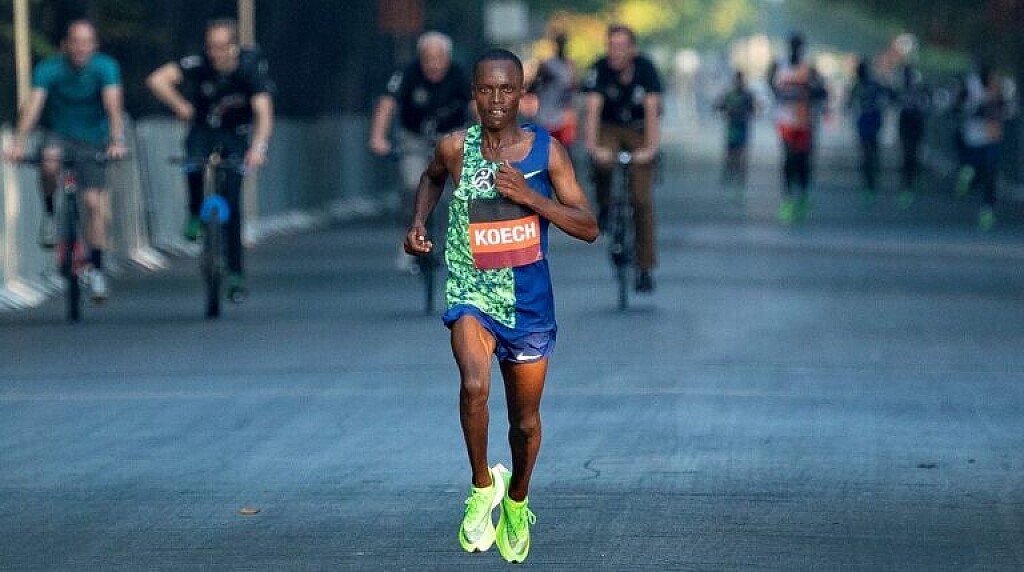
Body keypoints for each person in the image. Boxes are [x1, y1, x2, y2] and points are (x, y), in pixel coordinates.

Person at [403, 49, 598, 563]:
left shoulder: (546, 152)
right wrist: (418, 223)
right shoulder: (454, 148)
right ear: (474, 94)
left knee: (524, 423)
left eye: (506, 90)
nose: (495, 100)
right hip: (471, 290)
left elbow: (588, 227)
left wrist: (532, 199)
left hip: (528, 305)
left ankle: (516, 500)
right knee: (473, 384)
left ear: (521, 94)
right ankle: (481, 486)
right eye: (486, 90)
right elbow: (431, 178)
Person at [147, 18, 274, 301]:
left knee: (233, 202)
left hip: (235, 134)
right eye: (211, 47)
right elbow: (157, 80)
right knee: (193, 161)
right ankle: (194, 213)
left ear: (234, 47)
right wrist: (180, 106)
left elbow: (264, 112)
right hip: (203, 129)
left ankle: (236, 273)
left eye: (221, 47)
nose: (215, 54)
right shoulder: (199, 64)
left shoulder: (249, 70)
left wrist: (258, 148)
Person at [4, 19, 128, 302]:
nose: (81, 48)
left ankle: (96, 269)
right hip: (59, 134)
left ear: (94, 46)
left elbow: (113, 105)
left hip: (94, 138)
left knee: (93, 204)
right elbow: (34, 105)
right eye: (75, 42)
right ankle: (49, 214)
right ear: (65, 45)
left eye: (86, 43)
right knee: (49, 162)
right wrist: (19, 142)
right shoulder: (49, 69)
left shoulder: (105, 67)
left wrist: (117, 140)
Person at [369, 31, 471, 272]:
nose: (434, 65)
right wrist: (378, 137)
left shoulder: (459, 75)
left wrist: (486, 135)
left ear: (448, 58)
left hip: (450, 138)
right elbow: (387, 103)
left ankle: (451, 243)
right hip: (413, 138)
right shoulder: (407, 73)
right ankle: (410, 240)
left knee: (454, 193)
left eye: (439, 58)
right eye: (428, 59)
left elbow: (476, 105)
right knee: (412, 185)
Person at [582, 24, 663, 293]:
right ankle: (605, 207)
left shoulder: (646, 70)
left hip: (638, 130)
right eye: (611, 46)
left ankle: (645, 267)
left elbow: (652, 112)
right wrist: (593, 147)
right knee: (604, 162)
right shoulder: (599, 69)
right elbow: (592, 111)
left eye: (621, 47)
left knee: (641, 200)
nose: (615, 52)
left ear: (632, 49)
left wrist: (650, 149)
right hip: (609, 128)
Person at [768, 32, 828, 224]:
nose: (795, 49)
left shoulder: (809, 69)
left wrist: (810, 92)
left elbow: (822, 92)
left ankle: (802, 195)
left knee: (802, 161)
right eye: (793, 45)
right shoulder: (778, 65)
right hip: (785, 121)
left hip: (804, 122)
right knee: (788, 159)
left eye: (798, 46)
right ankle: (787, 199)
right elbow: (771, 86)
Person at [954, 63, 1013, 231]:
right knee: (979, 170)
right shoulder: (971, 86)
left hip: (992, 137)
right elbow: (960, 105)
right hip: (975, 137)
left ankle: (988, 209)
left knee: (990, 173)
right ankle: (968, 176)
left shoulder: (1001, 87)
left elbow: (1007, 109)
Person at [846, 57, 890, 202]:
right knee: (868, 153)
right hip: (866, 124)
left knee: (870, 153)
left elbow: (885, 98)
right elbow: (849, 104)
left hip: (870, 123)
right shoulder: (860, 86)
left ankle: (871, 181)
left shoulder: (869, 86)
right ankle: (869, 182)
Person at [528, 32, 578, 148]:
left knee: (563, 150)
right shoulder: (547, 65)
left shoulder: (570, 66)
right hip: (545, 116)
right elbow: (533, 87)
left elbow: (574, 90)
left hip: (563, 118)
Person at [713, 70, 758, 187]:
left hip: (741, 126)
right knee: (732, 152)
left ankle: (738, 176)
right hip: (733, 126)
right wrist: (727, 112)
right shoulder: (730, 94)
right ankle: (731, 175)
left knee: (739, 152)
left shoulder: (746, 95)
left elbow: (753, 110)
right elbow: (718, 106)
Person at [895, 64, 930, 208]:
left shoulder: (920, 90)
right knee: (908, 154)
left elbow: (926, 106)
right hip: (908, 124)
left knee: (912, 154)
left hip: (914, 124)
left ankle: (911, 181)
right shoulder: (902, 91)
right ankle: (907, 184)